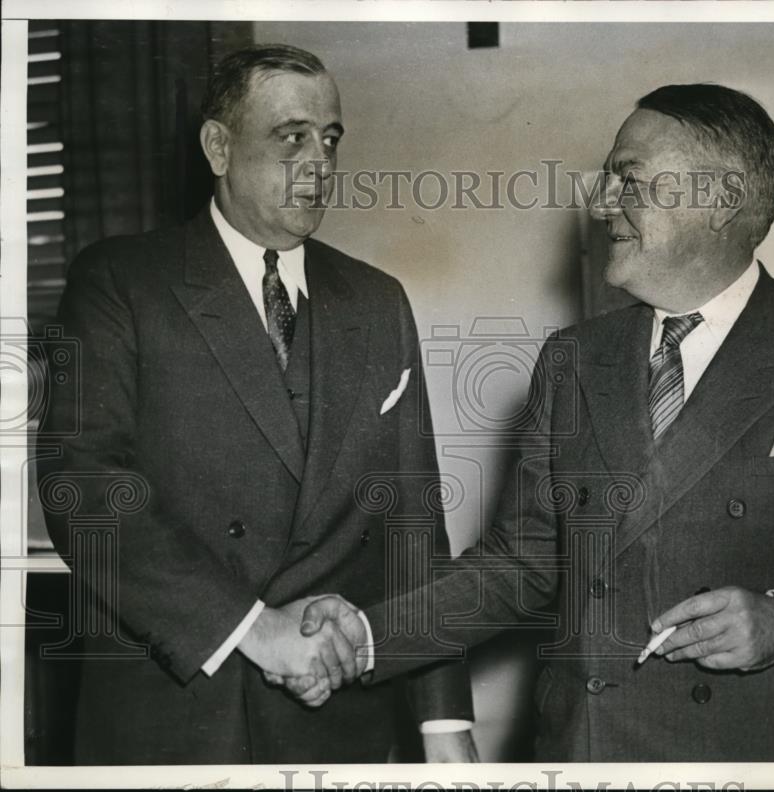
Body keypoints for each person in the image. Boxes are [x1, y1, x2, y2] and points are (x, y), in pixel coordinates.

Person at [284, 83, 774, 761]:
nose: (600, 202)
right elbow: (522, 564)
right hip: (589, 751)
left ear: (722, 198)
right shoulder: (574, 360)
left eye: (629, 179)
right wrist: (367, 635)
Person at [39, 44, 476, 765]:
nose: (319, 163)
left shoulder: (377, 302)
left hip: (338, 725)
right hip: (176, 721)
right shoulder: (121, 282)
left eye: (329, 139)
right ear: (219, 147)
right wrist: (254, 628)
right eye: (291, 137)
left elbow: (415, 525)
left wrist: (443, 721)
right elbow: (87, 489)